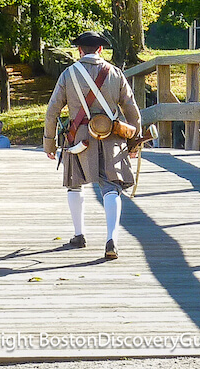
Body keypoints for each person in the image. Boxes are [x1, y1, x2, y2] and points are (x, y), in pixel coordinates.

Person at [43, 31, 141, 260]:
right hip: (112, 138)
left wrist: (49, 143)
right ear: (100, 50)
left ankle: (79, 235)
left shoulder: (68, 74)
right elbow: (131, 110)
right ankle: (112, 239)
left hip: (78, 137)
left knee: (75, 185)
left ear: (79, 50)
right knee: (111, 187)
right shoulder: (115, 73)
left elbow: (52, 111)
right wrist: (134, 143)